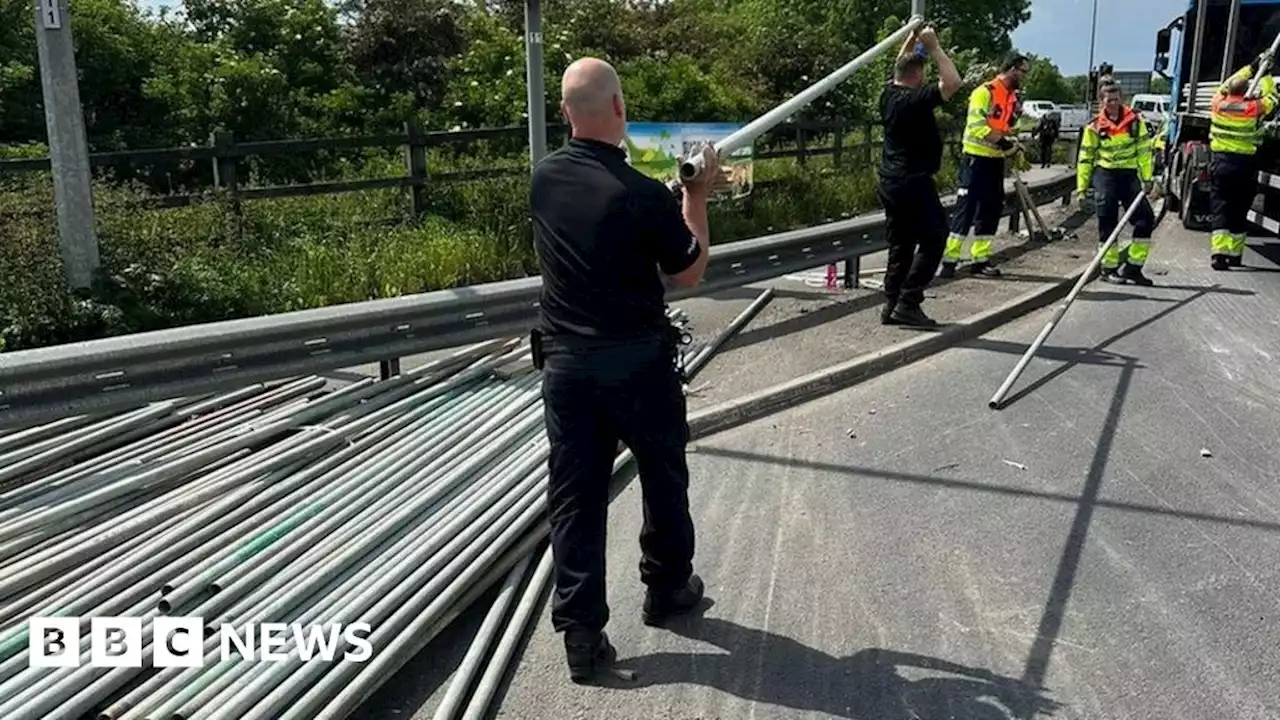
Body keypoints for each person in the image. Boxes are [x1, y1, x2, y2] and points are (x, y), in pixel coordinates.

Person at [528, 56, 719, 684]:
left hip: (566, 367)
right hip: (637, 363)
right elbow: (688, 271)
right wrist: (694, 196)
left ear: (564, 114)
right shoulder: (642, 195)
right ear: (620, 110)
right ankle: (667, 588)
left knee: (575, 497)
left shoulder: (544, 179)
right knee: (663, 475)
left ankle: (582, 634)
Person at [874, 26, 961, 327]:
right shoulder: (916, 99)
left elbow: (902, 62)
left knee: (901, 242)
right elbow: (952, 83)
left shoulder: (888, 94)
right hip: (913, 181)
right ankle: (908, 302)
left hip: (890, 181)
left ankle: (891, 303)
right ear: (918, 76)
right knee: (935, 238)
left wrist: (912, 39)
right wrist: (934, 48)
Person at [940, 54, 1030, 279]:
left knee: (991, 210)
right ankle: (949, 261)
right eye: (1023, 71)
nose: (1025, 77)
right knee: (965, 210)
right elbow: (977, 127)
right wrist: (1005, 144)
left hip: (994, 161)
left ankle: (980, 260)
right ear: (1010, 69)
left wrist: (1014, 139)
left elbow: (1004, 126)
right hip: (975, 160)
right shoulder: (985, 92)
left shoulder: (1011, 97)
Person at [1075, 82, 1156, 285]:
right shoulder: (1095, 126)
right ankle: (1108, 268)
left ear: (1122, 99)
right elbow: (1085, 158)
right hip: (1106, 175)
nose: (1112, 103)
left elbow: (1144, 152)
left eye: (1116, 99)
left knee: (1145, 219)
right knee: (1107, 221)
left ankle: (1133, 268)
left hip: (1129, 176)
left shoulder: (1135, 121)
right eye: (1108, 100)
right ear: (1101, 102)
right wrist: (1082, 189)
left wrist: (1147, 178)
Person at [1207, 58, 1278, 270]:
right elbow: (1274, 96)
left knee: (1220, 206)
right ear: (1248, 90)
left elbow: (1225, 84)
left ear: (1228, 91)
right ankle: (1235, 255)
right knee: (1240, 208)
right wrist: (1265, 75)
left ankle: (1218, 253)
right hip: (1245, 165)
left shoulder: (1218, 104)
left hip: (1221, 162)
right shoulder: (1253, 108)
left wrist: (1253, 66)